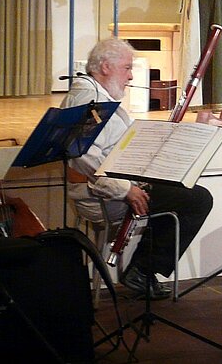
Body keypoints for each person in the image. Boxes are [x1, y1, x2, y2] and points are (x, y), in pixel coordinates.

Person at [63, 39, 213, 300]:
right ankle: (142, 270)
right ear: (106, 67)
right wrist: (126, 190)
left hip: (117, 185)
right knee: (198, 199)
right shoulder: (87, 97)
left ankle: (143, 269)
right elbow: (82, 157)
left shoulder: (101, 94)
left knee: (185, 191)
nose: (131, 76)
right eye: (127, 68)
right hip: (101, 195)